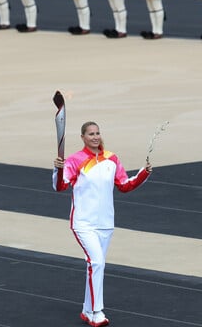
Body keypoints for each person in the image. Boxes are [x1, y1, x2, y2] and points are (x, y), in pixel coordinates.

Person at [53, 121, 152, 327]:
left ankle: (87, 310)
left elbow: (124, 185)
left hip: (106, 223)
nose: (95, 137)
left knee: (95, 265)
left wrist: (144, 173)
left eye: (97, 133)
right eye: (90, 134)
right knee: (97, 263)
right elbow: (60, 186)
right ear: (83, 137)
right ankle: (97, 311)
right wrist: (57, 170)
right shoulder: (75, 160)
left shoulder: (111, 158)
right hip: (83, 222)